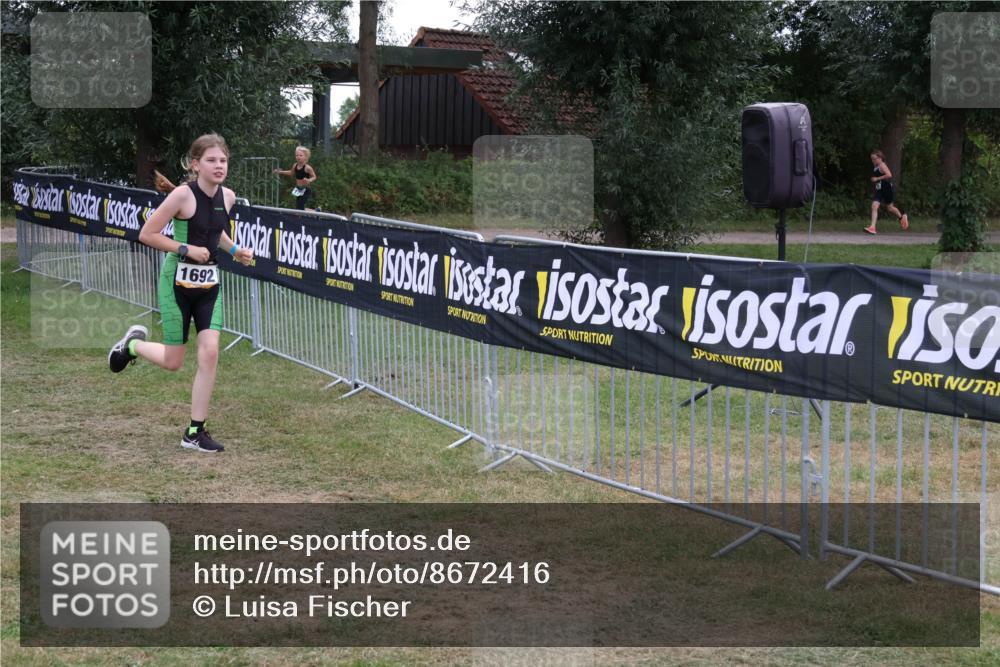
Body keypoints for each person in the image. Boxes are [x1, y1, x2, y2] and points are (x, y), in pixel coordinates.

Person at [108, 134, 254, 453]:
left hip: (209, 284)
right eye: (212, 160)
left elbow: (216, 233)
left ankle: (194, 432)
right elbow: (147, 234)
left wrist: (235, 250)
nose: (219, 166)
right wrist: (186, 248)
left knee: (210, 351)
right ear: (195, 164)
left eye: (223, 160)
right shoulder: (181, 196)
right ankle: (131, 345)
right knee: (174, 361)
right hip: (176, 282)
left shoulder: (227, 197)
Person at [864, 149, 908, 235]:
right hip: (880, 189)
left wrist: (877, 179)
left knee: (890, 208)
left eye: (874, 158)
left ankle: (902, 217)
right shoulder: (876, 165)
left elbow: (889, 174)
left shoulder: (882, 165)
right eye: (872, 159)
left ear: (880, 158)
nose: (873, 160)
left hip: (887, 188)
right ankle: (872, 227)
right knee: (874, 206)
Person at [274, 146, 318, 210]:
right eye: (297, 155)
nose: (298, 157)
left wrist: (309, 180)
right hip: (298, 189)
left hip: (306, 189)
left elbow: (314, 176)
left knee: (300, 207)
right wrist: (280, 172)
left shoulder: (307, 168)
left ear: (306, 157)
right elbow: (291, 173)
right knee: (299, 207)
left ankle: (306, 215)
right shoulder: (295, 165)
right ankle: (316, 211)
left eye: (301, 155)